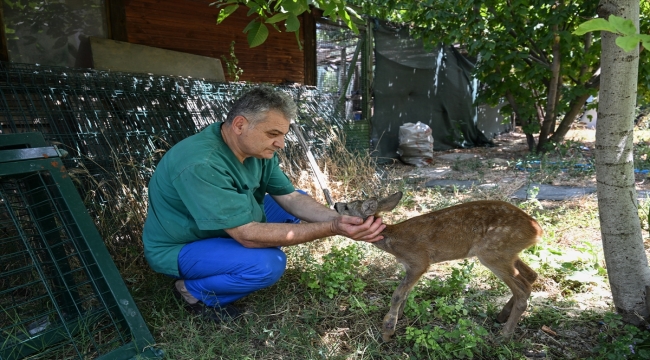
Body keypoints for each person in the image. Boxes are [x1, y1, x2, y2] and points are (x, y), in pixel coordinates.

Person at [142, 86, 385, 322]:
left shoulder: (256, 151)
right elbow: (247, 235)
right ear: (240, 125)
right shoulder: (202, 163)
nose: (280, 143)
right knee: (268, 264)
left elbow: (290, 197)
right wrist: (333, 229)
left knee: (292, 199)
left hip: (222, 228)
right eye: (273, 134)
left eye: (283, 135)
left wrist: (340, 221)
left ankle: (236, 259)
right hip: (182, 246)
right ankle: (192, 290)